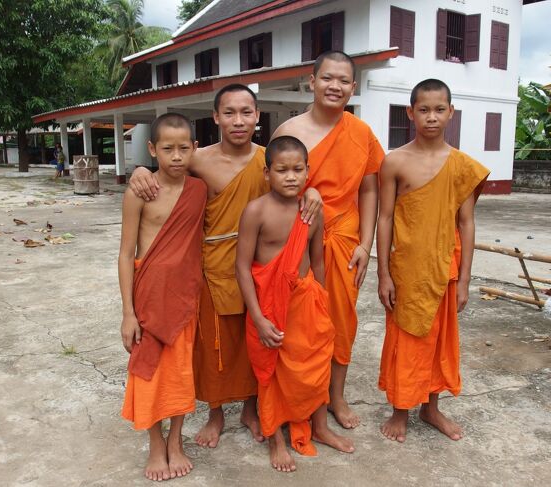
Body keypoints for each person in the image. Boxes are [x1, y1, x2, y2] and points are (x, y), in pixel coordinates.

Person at [127, 84, 322, 449]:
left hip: (261, 266)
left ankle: (251, 408)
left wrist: (313, 192)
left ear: (257, 115)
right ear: (215, 117)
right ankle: (216, 413)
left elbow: (300, 180)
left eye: (246, 112)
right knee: (215, 343)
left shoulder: (270, 160)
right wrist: (140, 168)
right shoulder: (198, 159)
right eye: (229, 113)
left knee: (255, 341)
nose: (238, 120)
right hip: (211, 265)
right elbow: (167, 171)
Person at [271, 51, 384, 429]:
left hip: (344, 240)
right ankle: (298, 396)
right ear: (312, 81)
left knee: (340, 322)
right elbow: (272, 190)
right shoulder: (289, 131)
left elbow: (370, 190)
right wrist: (307, 193)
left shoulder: (361, 134)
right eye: (327, 78)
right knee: (300, 323)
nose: (334, 86)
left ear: (353, 87)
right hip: (299, 241)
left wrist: (365, 244)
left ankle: (335, 397)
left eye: (343, 81)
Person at [376, 79, 490, 443]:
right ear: (410, 113)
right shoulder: (395, 161)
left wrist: (467, 279)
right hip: (407, 268)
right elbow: (384, 218)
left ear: (451, 112)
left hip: (445, 267)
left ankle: (431, 406)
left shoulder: (461, 166)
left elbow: (467, 222)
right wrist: (383, 274)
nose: (431, 117)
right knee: (406, 338)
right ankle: (400, 409)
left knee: (439, 341)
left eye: (439, 109)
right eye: (423, 110)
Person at [236, 135, 354, 472]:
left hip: (306, 303)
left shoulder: (311, 212)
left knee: (316, 366)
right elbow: (242, 267)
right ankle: (275, 440)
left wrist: (324, 304)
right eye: (282, 170)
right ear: (267, 173)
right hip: (269, 307)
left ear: (308, 172)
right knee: (271, 373)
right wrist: (257, 318)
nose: (290, 176)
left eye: (297, 170)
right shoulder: (256, 211)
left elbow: (317, 262)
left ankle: (320, 427)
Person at [118, 113, 207, 480]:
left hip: (186, 294)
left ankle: (176, 440)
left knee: (180, 371)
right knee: (148, 372)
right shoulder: (139, 191)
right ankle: (155, 444)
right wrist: (128, 313)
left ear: (194, 149)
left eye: (183, 148)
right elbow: (125, 253)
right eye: (166, 149)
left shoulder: (199, 189)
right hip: (149, 297)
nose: (175, 156)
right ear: (152, 149)